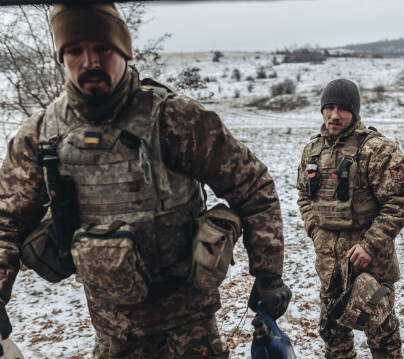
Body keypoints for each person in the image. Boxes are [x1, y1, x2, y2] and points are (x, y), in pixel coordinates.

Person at [0, 3, 291, 358]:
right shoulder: (42, 136)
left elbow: (253, 186)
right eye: (75, 51)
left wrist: (268, 273)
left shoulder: (176, 120)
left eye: (102, 48)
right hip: (113, 333)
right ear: (61, 58)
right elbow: (7, 221)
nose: (89, 62)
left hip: (190, 331)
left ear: (123, 49)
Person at [296, 79, 404, 359]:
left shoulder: (377, 149)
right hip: (329, 263)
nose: (334, 115)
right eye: (329, 108)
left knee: (382, 335)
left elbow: (401, 202)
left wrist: (370, 245)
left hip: (370, 262)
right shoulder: (313, 150)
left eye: (342, 109)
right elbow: (304, 196)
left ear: (355, 112)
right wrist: (315, 231)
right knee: (333, 334)